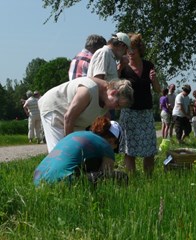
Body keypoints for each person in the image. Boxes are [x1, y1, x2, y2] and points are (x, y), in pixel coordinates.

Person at [38, 77, 134, 153]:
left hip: (75, 123)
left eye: (119, 108)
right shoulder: (88, 90)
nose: (116, 109)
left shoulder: (106, 103)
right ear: (113, 93)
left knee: (80, 154)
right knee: (59, 153)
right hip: (55, 109)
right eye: (117, 105)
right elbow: (69, 117)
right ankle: (51, 177)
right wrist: (69, 147)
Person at [33, 116, 121, 186]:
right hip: (62, 182)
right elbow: (107, 176)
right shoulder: (106, 146)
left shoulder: (77, 135)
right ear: (112, 140)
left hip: (38, 181)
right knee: (121, 177)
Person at [119, 33, 161, 176]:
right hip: (129, 113)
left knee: (149, 149)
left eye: (133, 49)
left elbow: (157, 90)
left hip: (146, 113)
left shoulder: (149, 65)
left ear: (139, 49)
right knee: (129, 150)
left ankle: (149, 178)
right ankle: (131, 179)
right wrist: (119, 68)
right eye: (127, 50)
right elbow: (113, 86)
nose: (130, 53)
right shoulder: (123, 68)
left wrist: (154, 80)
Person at [87, 32, 131, 119]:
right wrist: (105, 112)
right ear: (121, 45)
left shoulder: (110, 56)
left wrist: (121, 66)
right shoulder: (104, 53)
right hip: (99, 105)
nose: (125, 54)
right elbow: (97, 80)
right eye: (126, 50)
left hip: (106, 103)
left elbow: (111, 81)